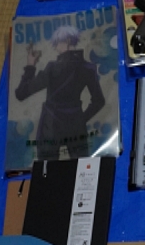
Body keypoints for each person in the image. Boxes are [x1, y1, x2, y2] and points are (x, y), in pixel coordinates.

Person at [14, 25, 105, 160]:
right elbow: (99, 101)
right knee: (82, 169)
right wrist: (81, 119)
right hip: (76, 127)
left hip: (51, 125)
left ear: (67, 41)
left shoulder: (52, 68)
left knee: (47, 169)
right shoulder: (88, 68)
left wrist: (30, 65)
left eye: (57, 43)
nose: (55, 48)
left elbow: (21, 93)